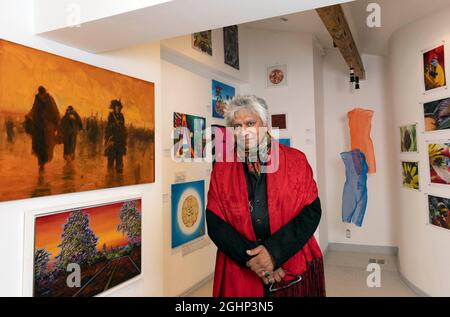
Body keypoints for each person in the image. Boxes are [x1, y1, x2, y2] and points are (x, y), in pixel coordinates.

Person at [206, 95, 325, 297]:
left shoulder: (296, 160)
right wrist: (257, 261)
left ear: (265, 125)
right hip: (242, 267)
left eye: (250, 123)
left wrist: (274, 254)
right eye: (237, 126)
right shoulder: (221, 168)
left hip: (291, 263)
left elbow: (311, 212)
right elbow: (215, 223)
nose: (243, 132)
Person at [24, 86, 61, 171]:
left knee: (46, 145)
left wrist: (57, 125)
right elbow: (34, 109)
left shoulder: (50, 99)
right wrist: (29, 115)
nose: (42, 96)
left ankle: (43, 163)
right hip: (39, 125)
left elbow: (56, 112)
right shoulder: (37, 99)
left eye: (42, 95)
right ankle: (41, 163)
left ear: (44, 93)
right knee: (38, 144)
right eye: (40, 95)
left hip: (47, 126)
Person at [104, 99, 127, 173]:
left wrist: (124, 137)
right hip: (113, 138)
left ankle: (119, 172)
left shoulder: (121, 116)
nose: (118, 108)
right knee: (111, 158)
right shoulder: (111, 115)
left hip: (120, 140)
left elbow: (123, 126)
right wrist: (114, 125)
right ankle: (110, 176)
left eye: (119, 107)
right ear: (114, 107)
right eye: (116, 107)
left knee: (119, 158)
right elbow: (108, 126)